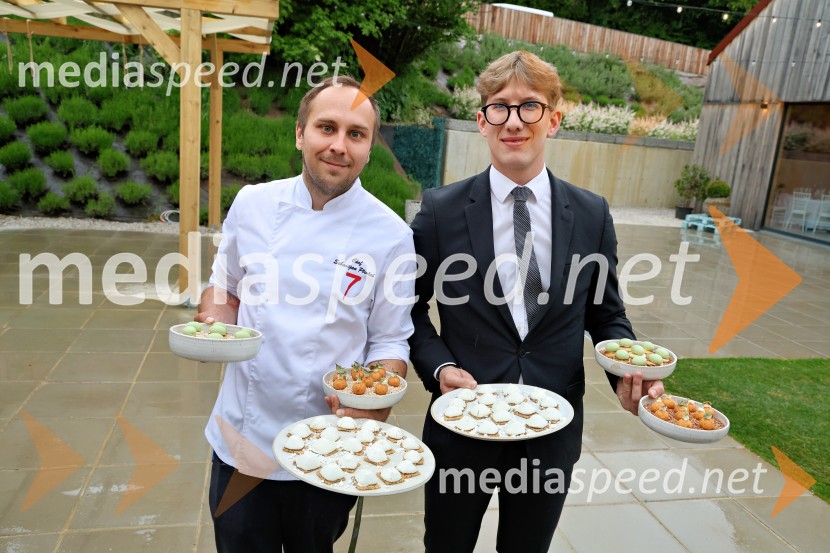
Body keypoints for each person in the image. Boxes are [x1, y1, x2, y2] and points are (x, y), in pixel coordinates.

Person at [409, 51, 664, 553]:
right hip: (463, 424)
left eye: (529, 107)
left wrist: (628, 374)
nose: (514, 121)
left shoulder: (591, 213)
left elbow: (606, 313)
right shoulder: (440, 210)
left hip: (552, 432)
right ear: (482, 122)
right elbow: (409, 311)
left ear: (554, 119)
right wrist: (440, 368)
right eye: (500, 107)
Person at [196, 75, 415, 553]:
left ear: (369, 147)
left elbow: (390, 341)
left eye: (356, 134)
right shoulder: (253, 204)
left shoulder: (391, 235)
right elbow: (223, 288)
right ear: (300, 134)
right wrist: (213, 324)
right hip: (243, 437)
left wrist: (378, 396)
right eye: (326, 127)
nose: (339, 145)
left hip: (329, 447)